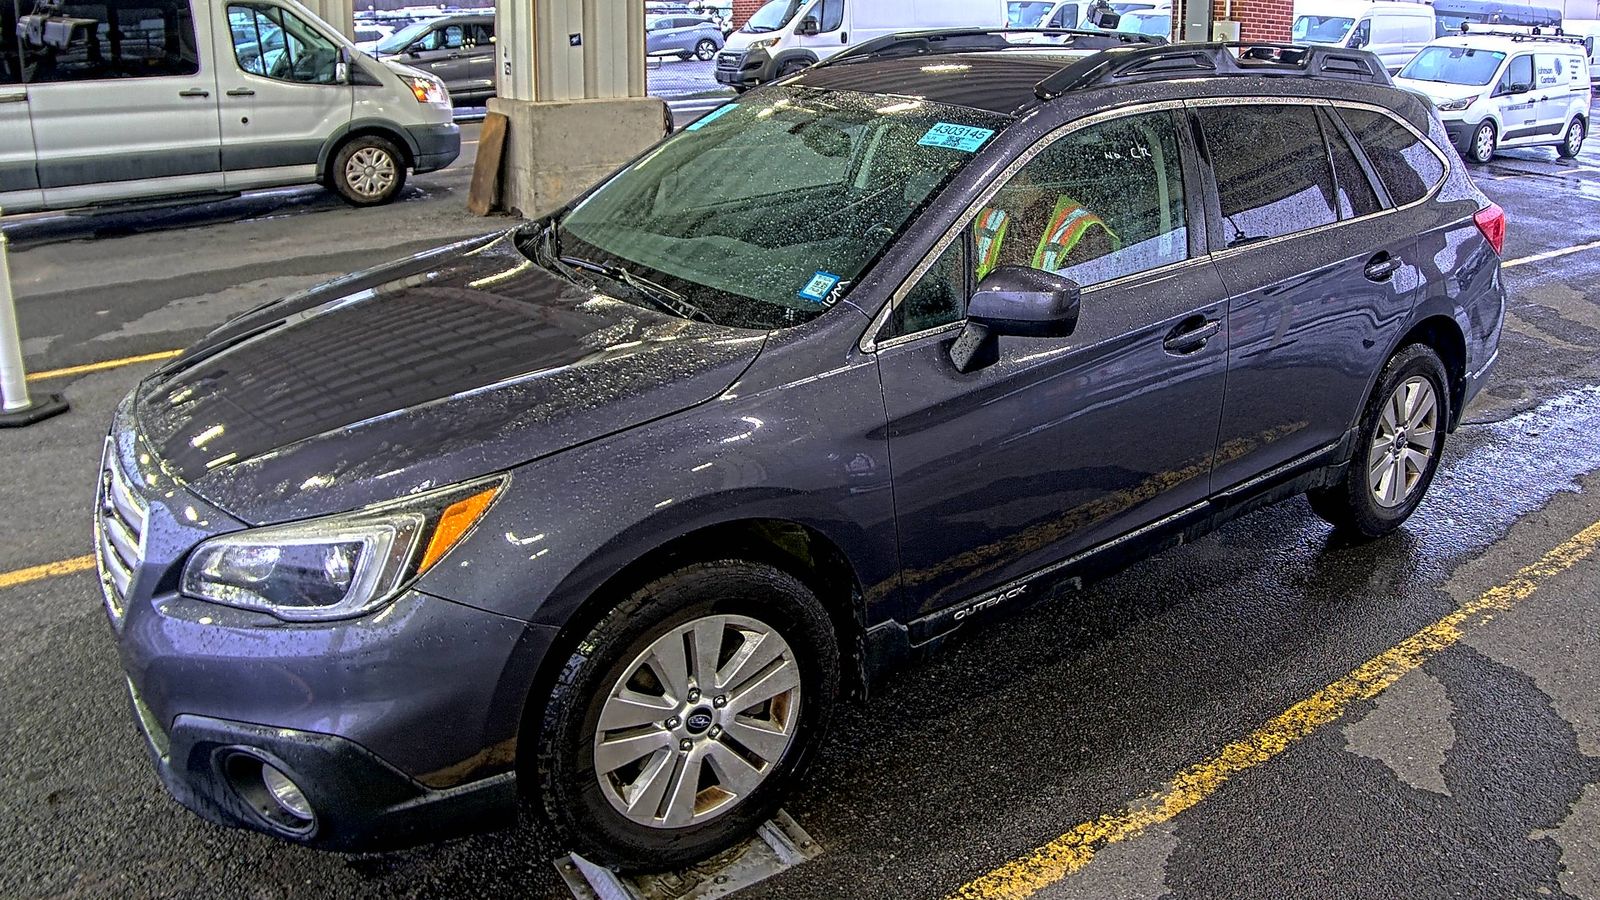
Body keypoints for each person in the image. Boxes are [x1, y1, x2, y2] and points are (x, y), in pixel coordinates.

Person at [972, 167, 1119, 280]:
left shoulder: (1084, 230)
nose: (983, 194)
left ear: (1018, 179)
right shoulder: (987, 217)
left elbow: (1083, 300)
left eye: (988, 182)